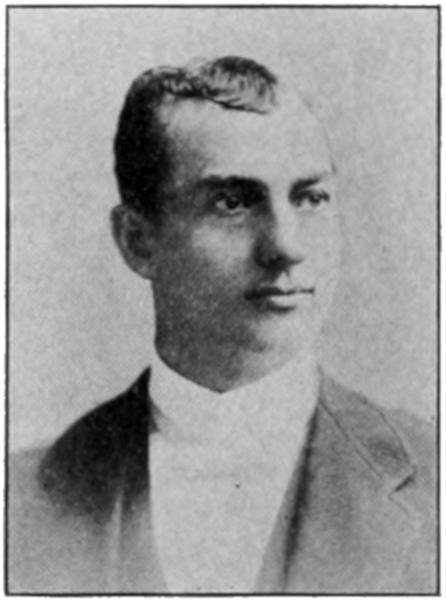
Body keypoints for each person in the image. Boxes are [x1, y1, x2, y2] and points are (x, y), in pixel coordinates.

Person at [9, 55, 436, 594]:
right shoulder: (19, 502)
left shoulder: (433, 477)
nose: (287, 246)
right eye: (233, 203)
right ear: (138, 241)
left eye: (310, 198)